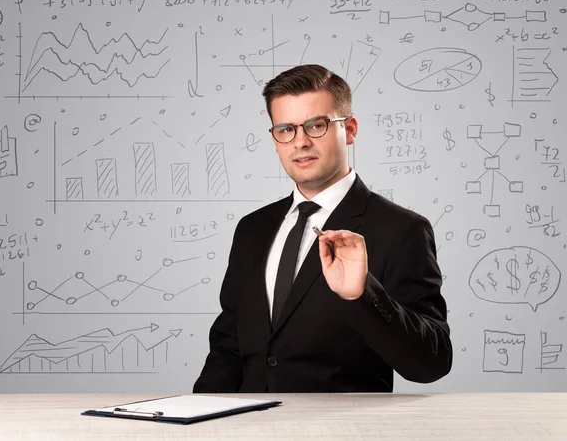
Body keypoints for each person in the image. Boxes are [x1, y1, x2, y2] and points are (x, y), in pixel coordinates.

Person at [193, 64, 452, 393]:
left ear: (351, 129)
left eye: (316, 125)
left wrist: (363, 294)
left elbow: (432, 363)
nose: (300, 142)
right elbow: (229, 346)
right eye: (286, 129)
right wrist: (194, 418)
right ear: (275, 139)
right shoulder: (252, 229)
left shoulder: (402, 230)